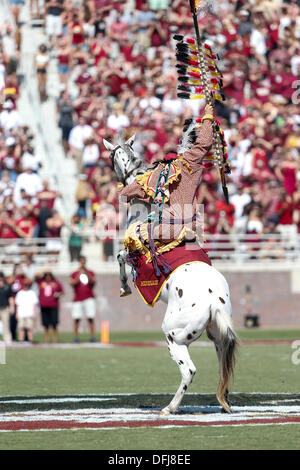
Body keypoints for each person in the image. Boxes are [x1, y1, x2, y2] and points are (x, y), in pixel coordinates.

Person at [69, 256, 96, 343]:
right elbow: (72, 283)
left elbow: (93, 282)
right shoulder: (75, 273)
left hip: (89, 297)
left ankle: (92, 337)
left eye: (84, 262)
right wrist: (79, 275)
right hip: (77, 298)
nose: (83, 264)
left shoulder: (90, 272)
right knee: (76, 318)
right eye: (81, 262)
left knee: (90, 317)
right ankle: (76, 337)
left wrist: (86, 273)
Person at [36, 270, 63, 343]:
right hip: (44, 305)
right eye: (46, 275)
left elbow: (61, 291)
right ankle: (47, 338)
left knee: (54, 323)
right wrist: (44, 270)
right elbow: (35, 275)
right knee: (46, 323)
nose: (48, 277)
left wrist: (58, 295)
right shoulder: (41, 282)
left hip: (53, 305)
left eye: (49, 275)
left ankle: (55, 338)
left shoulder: (56, 283)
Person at [15, 277, 38, 343]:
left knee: (29, 328)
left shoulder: (32, 293)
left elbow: (34, 304)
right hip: (21, 313)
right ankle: (21, 341)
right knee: (21, 328)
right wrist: (17, 313)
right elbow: (17, 304)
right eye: (25, 284)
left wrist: (34, 313)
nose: (26, 286)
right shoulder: (20, 293)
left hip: (29, 313)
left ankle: (30, 341)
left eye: (27, 284)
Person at [0, 272, 14, 344]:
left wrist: (12, 307)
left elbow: (11, 297)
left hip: (5, 308)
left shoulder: (7, 286)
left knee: (6, 324)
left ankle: (8, 340)